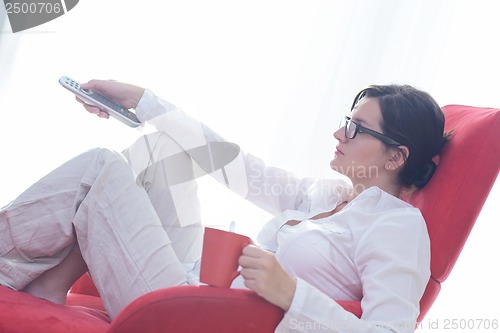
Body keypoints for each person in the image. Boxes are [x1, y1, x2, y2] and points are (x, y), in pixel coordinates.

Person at [0, 80, 449, 332]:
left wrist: (292, 293)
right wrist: (143, 102)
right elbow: (237, 167)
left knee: (97, 169)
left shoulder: (398, 228)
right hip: (201, 293)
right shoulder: (327, 196)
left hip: (203, 323)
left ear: (396, 156)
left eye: (355, 129)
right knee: (158, 153)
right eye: (344, 123)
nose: (338, 135)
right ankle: (47, 287)